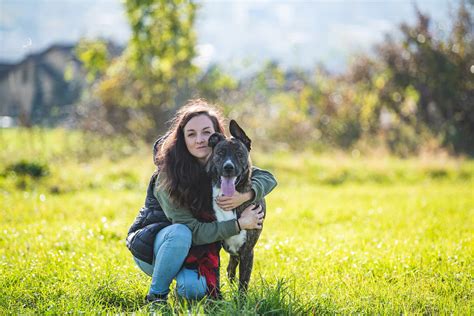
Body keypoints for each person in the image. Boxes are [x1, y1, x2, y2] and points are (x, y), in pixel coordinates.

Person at [126, 99, 277, 304]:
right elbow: (193, 232)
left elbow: (266, 177)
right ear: (182, 139)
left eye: (206, 132)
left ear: (216, 136)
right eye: (191, 134)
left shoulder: (220, 161)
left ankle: (185, 281)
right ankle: (156, 296)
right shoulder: (167, 175)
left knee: (194, 290)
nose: (200, 140)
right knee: (181, 232)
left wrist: (245, 196)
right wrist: (239, 224)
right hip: (157, 249)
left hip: (193, 251)